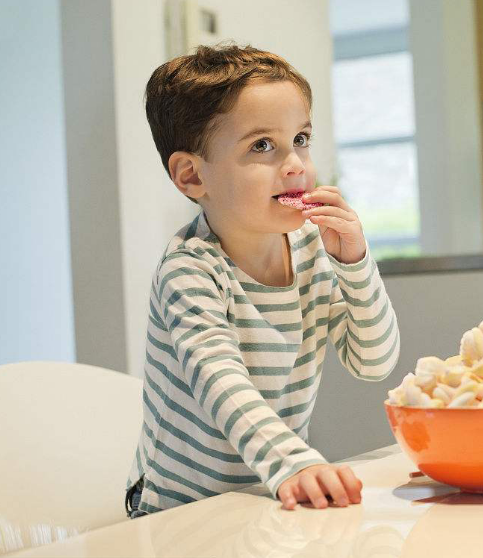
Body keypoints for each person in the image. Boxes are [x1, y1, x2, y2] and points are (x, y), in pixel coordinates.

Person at [124, 43, 400, 517]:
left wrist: (354, 262)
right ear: (192, 176)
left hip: (266, 498)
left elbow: (373, 362)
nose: (295, 164)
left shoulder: (313, 248)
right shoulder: (190, 269)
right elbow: (222, 385)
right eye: (262, 146)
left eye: (302, 139)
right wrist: (296, 464)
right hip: (177, 513)